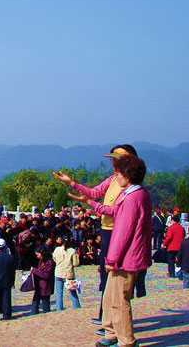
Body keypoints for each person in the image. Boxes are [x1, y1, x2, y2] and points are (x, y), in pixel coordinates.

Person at [69, 155, 152, 347]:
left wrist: (111, 259)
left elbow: (124, 231)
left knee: (119, 301)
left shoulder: (134, 197)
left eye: (119, 172)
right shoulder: (134, 194)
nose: (116, 176)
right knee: (110, 298)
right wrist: (90, 202)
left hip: (126, 258)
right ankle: (112, 333)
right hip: (125, 256)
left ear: (127, 175)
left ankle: (126, 341)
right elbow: (115, 211)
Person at [54, 144, 138, 326]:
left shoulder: (130, 186)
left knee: (114, 276)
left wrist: (90, 203)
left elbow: (114, 211)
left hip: (117, 231)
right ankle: (105, 316)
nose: (114, 164)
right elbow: (94, 192)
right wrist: (71, 183)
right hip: (106, 230)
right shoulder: (113, 179)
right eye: (113, 160)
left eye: (118, 160)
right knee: (105, 276)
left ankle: (112, 320)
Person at [53, 234, 81, 311]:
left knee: (59, 293)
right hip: (68, 273)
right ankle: (76, 307)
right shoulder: (72, 251)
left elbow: (54, 259)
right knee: (72, 291)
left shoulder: (57, 249)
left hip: (58, 272)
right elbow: (75, 263)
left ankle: (59, 308)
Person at [30, 245, 55, 314]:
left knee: (45, 305)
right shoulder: (41, 261)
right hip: (39, 285)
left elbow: (46, 275)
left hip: (45, 287)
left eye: (38, 255)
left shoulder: (50, 263)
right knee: (34, 304)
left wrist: (34, 270)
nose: (37, 257)